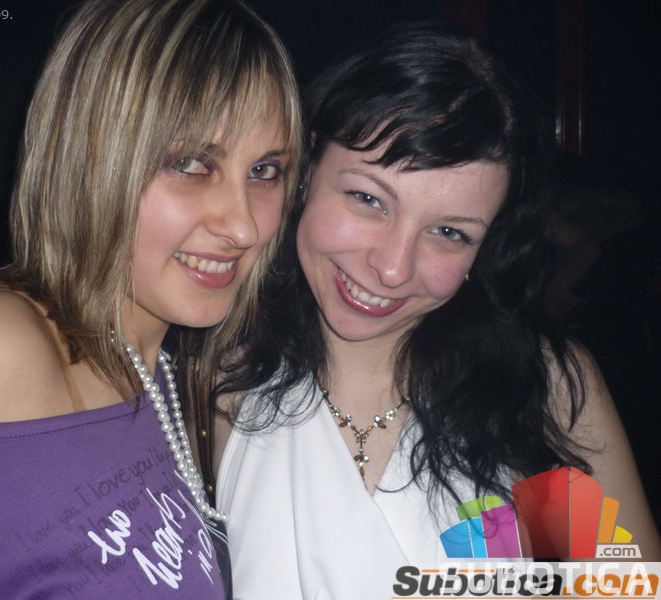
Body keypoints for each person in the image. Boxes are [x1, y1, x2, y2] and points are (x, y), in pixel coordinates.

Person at [0, 0, 301, 597]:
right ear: (92, 160)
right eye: (191, 164)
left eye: (266, 171)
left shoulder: (160, 373)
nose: (245, 226)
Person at [211, 22, 661, 599]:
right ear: (305, 171)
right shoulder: (224, 375)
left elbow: (615, 586)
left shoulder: (531, 388)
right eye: (368, 199)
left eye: (449, 232)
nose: (393, 268)